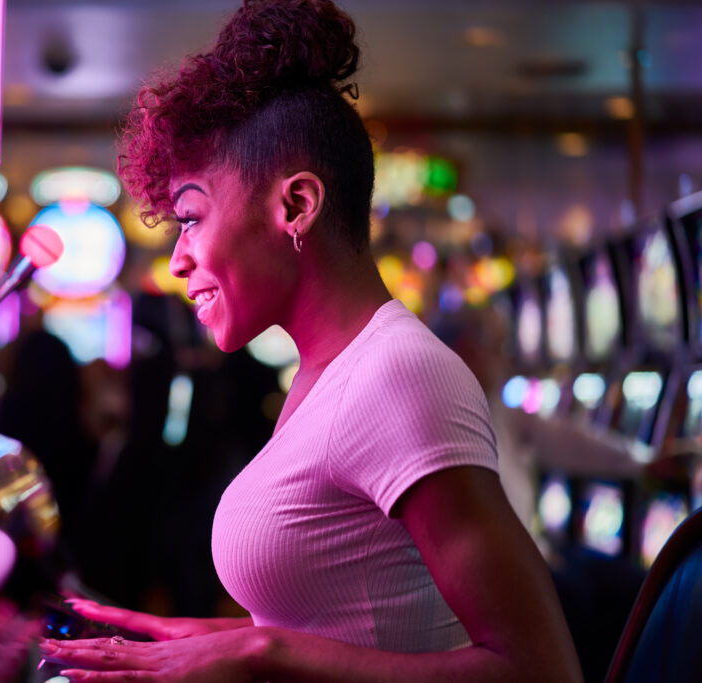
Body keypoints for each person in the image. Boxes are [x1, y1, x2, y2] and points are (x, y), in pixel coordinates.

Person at [39, 1, 583, 681]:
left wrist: (258, 651)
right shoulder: (326, 371)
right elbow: (340, 624)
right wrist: (197, 641)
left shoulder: (399, 374)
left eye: (190, 218)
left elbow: (540, 669)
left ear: (295, 205)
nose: (177, 258)